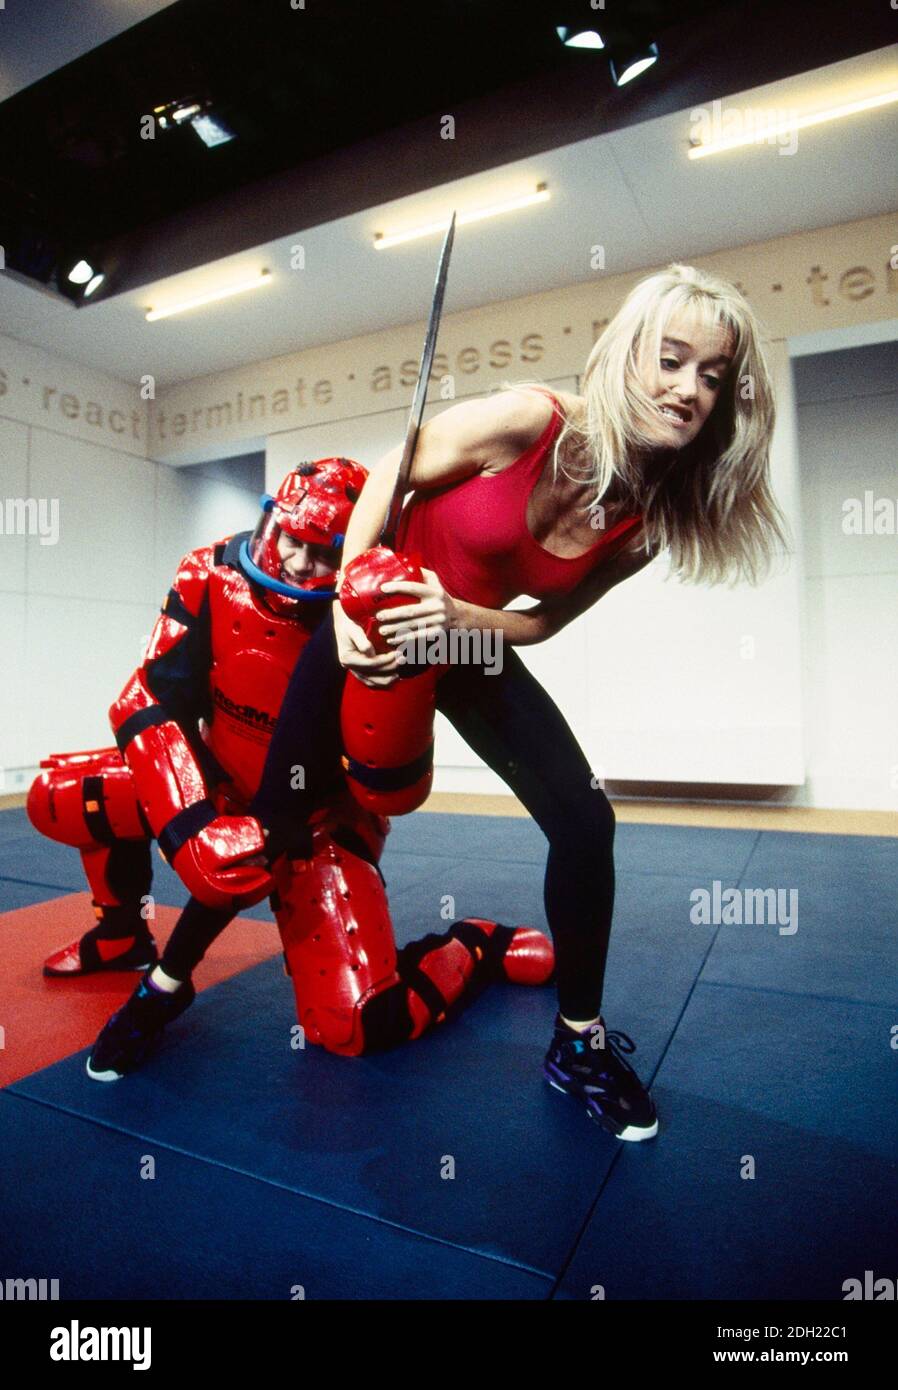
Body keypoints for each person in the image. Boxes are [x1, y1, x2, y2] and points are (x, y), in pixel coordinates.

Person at [250, 263, 790, 1142]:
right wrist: (351, 589)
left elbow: (542, 624)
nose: (689, 388)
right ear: (628, 355)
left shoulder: (643, 523)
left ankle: (578, 1044)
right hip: (374, 621)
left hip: (463, 642)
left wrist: (464, 619)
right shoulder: (532, 420)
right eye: (673, 358)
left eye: (713, 376)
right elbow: (395, 468)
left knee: (585, 821)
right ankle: (163, 980)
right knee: (275, 822)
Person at [27, 458, 553, 1080]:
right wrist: (192, 823)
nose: (301, 564)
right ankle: (120, 934)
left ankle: (473, 944)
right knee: (60, 795)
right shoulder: (210, 574)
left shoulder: (380, 620)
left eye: (324, 552)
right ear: (269, 521)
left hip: (318, 825)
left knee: (361, 1023)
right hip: (217, 787)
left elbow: (391, 775)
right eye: (291, 540)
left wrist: (415, 654)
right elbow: (147, 697)